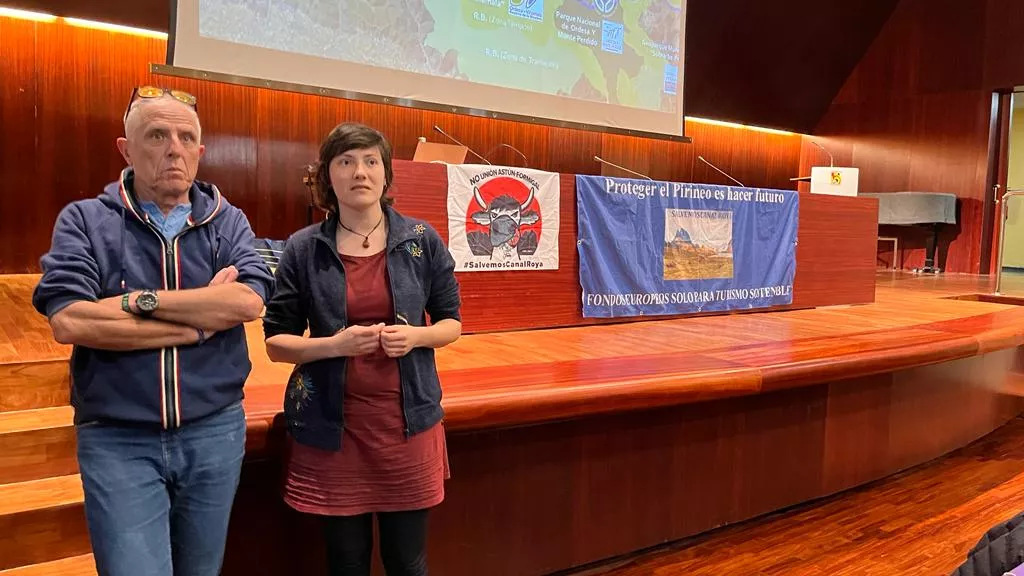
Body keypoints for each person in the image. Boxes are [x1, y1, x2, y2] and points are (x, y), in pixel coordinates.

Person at [31, 86, 274, 576]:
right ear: (126, 149)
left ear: (201, 151)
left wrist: (137, 302)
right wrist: (198, 325)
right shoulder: (85, 220)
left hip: (215, 431)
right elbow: (70, 320)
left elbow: (247, 301)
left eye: (186, 138)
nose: (174, 150)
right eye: (157, 135)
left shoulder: (228, 221)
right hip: (118, 438)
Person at [262, 122, 462, 576]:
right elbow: (276, 343)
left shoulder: (421, 240)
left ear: (386, 174)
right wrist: (335, 345)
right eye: (346, 161)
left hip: (407, 428)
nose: (360, 172)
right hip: (333, 431)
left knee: (407, 562)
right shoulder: (303, 249)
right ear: (327, 176)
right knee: (346, 562)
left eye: (371, 161)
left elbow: (451, 323)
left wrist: (416, 337)